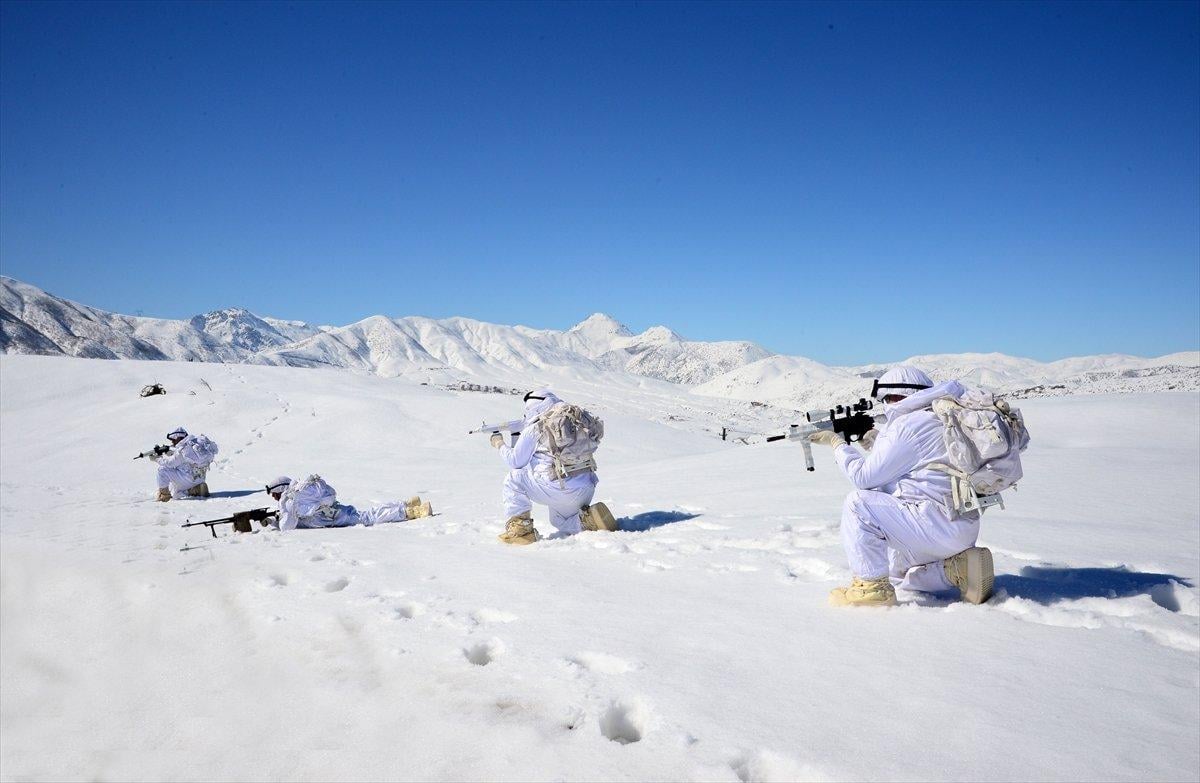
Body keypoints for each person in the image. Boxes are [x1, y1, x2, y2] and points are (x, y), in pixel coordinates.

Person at [807, 366, 994, 607]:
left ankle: (871, 589)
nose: (886, 405)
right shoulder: (940, 416)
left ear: (897, 396)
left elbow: (863, 478)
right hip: (960, 525)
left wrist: (838, 445)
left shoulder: (908, 425)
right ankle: (956, 569)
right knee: (897, 575)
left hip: (932, 523)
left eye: (886, 399)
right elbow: (918, 466)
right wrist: (877, 444)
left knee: (858, 504)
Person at [492, 388, 616, 545]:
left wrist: (499, 444)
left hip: (557, 487)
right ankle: (589, 520)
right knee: (558, 520)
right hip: (586, 487)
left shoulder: (538, 426)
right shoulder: (575, 419)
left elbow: (516, 462)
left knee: (513, 479)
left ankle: (520, 532)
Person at [264, 475, 432, 531]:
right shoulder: (297, 492)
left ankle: (411, 512)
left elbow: (287, 527)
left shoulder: (288, 499)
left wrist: (273, 522)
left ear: (280, 490)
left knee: (368, 518)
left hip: (333, 518)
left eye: (273, 494)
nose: (274, 498)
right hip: (334, 512)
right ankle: (406, 505)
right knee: (367, 514)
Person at [151, 427, 219, 502]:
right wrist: (172, 454)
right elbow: (183, 461)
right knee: (177, 488)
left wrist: (156, 459)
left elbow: (169, 463)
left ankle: (164, 496)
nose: (172, 442)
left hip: (187, 479)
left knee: (162, 470)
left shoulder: (183, 449)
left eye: (173, 440)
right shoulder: (195, 445)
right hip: (199, 478)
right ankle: (196, 488)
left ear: (179, 438)